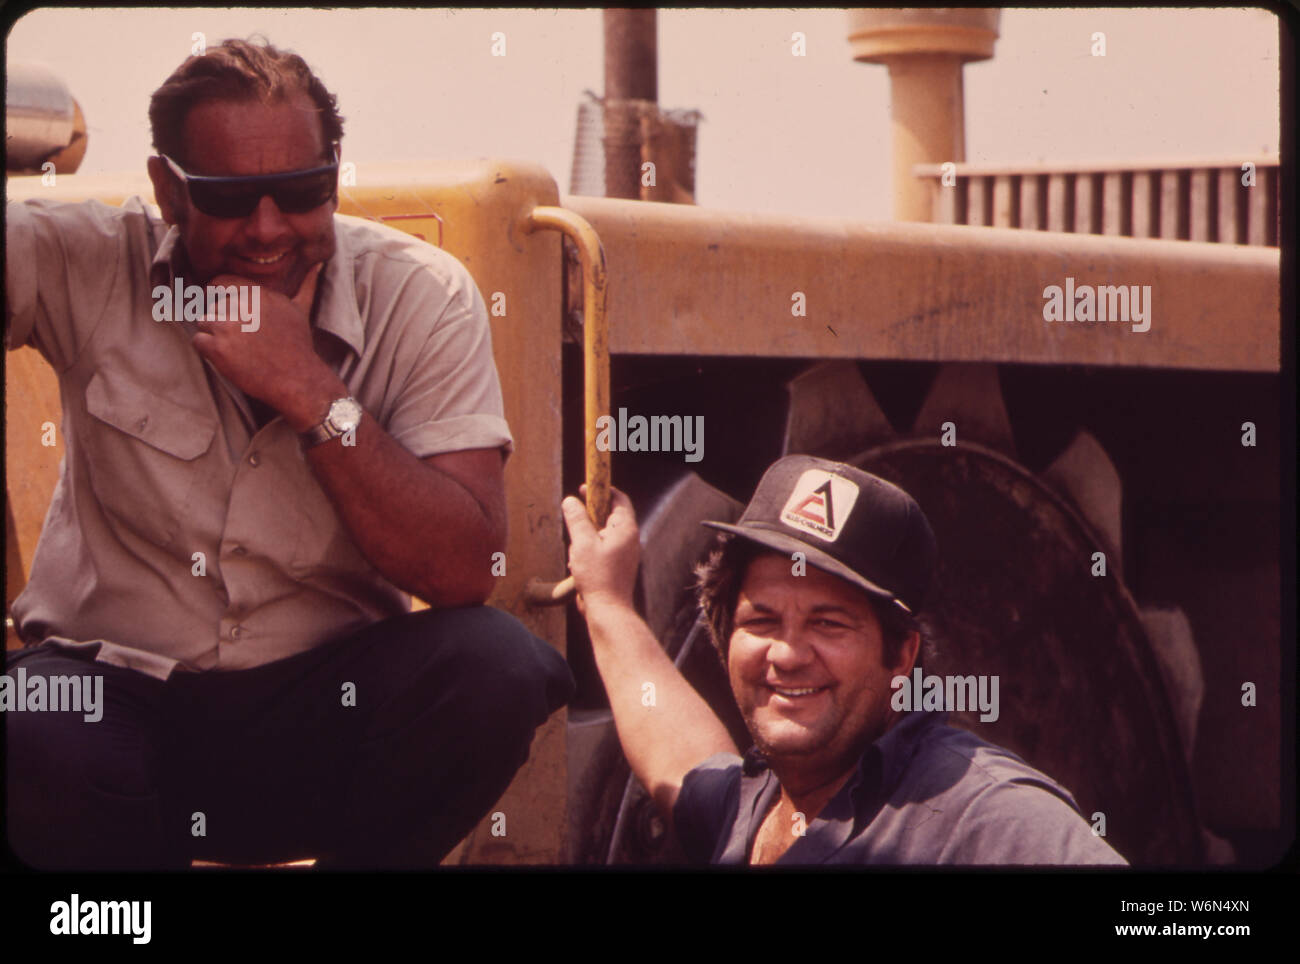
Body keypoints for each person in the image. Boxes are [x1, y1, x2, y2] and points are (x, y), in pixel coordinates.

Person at [3, 38, 573, 870]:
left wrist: (312, 393)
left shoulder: (422, 294)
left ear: (334, 176)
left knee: (494, 667)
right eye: (231, 198)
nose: (268, 229)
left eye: (301, 193)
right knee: (35, 718)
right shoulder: (84, 258)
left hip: (315, 708)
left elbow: (464, 567)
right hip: (110, 701)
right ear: (167, 190)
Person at [561, 454, 1127, 864]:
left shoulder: (979, 811)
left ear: (901, 654)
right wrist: (608, 602)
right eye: (762, 621)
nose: (786, 654)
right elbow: (676, 757)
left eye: (828, 624)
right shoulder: (749, 807)